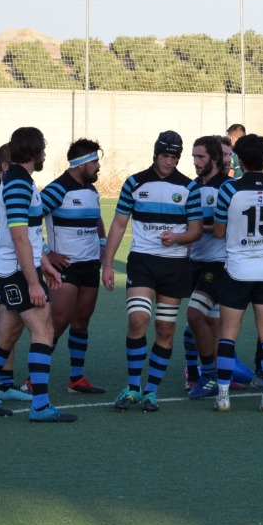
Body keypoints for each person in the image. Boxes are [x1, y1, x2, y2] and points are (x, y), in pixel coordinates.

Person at [0, 126, 73, 422]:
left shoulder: (19, 180)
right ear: (34, 151)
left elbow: (28, 233)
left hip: (14, 268)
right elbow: (18, 237)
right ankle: (40, 406)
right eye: (42, 148)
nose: (44, 154)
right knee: (44, 330)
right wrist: (33, 282)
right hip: (16, 271)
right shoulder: (17, 183)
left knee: (8, 333)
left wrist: (46, 266)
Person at [103, 130, 197, 413]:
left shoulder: (188, 188)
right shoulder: (134, 183)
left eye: (174, 157)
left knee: (165, 328)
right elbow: (119, 225)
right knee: (138, 320)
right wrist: (107, 263)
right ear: (155, 154)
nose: (169, 162)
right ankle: (133, 387)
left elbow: (195, 231)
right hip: (142, 261)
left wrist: (177, 239)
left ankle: (151, 391)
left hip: (175, 265)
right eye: (165, 156)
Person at [211, 133, 263, 413]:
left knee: (228, 334)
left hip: (237, 271)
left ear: (240, 160)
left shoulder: (229, 190)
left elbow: (219, 232)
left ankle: (223, 396)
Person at [39, 139, 109, 395]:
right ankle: (33, 380)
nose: (98, 166)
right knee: (57, 324)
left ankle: (76, 380)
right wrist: (47, 253)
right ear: (81, 163)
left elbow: (97, 218)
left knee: (81, 322)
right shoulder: (56, 189)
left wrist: (102, 243)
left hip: (90, 267)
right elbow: (27, 222)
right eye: (95, 161)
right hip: (65, 269)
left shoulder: (91, 190)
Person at [175, 136, 229, 399]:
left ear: (215, 159)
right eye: (194, 157)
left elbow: (224, 231)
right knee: (208, 323)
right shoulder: (191, 187)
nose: (195, 162)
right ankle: (207, 374)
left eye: (201, 157)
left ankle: (207, 374)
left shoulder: (229, 188)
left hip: (219, 264)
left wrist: (197, 229)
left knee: (194, 314)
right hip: (194, 262)